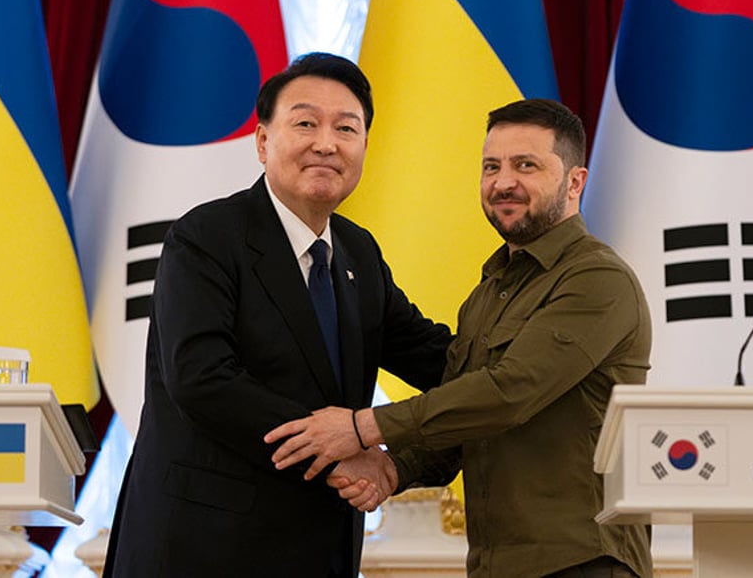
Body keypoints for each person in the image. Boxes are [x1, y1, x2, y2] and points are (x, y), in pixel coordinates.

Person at [266, 99, 654, 578]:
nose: (503, 182)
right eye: (492, 166)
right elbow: (464, 419)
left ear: (575, 182)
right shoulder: (487, 294)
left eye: (525, 165)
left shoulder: (597, 278)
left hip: (585, 562)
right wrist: (394, 469)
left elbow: (509, 393)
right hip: (496, 565)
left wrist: (363, 427)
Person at [103, 52, 452, 578]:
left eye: (346, 128)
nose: (326, 143)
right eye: (306, 123)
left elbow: (436, 359)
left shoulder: (359, 253)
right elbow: (202, 379)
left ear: (363, 147)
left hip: (316, 550)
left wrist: (531, 367)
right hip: (201, 549)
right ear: (263, 141)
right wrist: (342, 449)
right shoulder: (206, 237)